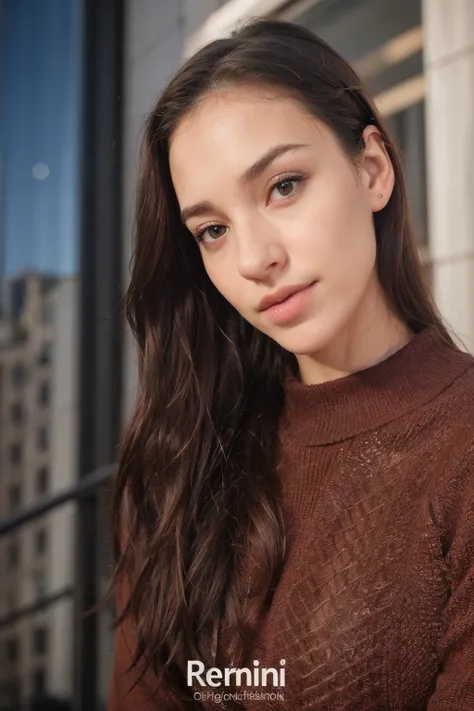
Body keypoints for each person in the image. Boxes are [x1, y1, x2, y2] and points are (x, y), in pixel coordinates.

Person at [107, 18, 474, 711]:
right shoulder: (181, 460)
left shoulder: (462, 446)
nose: (254, 258)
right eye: (212, 230)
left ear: (372, 169)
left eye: (283, 185)